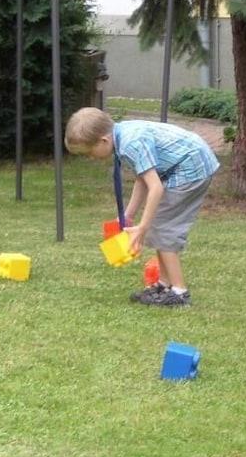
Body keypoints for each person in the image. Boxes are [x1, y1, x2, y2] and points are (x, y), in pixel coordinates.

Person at [64, 107, 219, 307]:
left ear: (104, 141)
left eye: (89, 152)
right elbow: (142, 179)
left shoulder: (130, 143)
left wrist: (142, 227)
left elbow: (155, 188)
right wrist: (127, 216)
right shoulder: (122, 136)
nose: (91, 157)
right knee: (158, 227)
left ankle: (180, 292)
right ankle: (164, 285)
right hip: (187, 164)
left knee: (163, 229)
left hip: (191, 168)